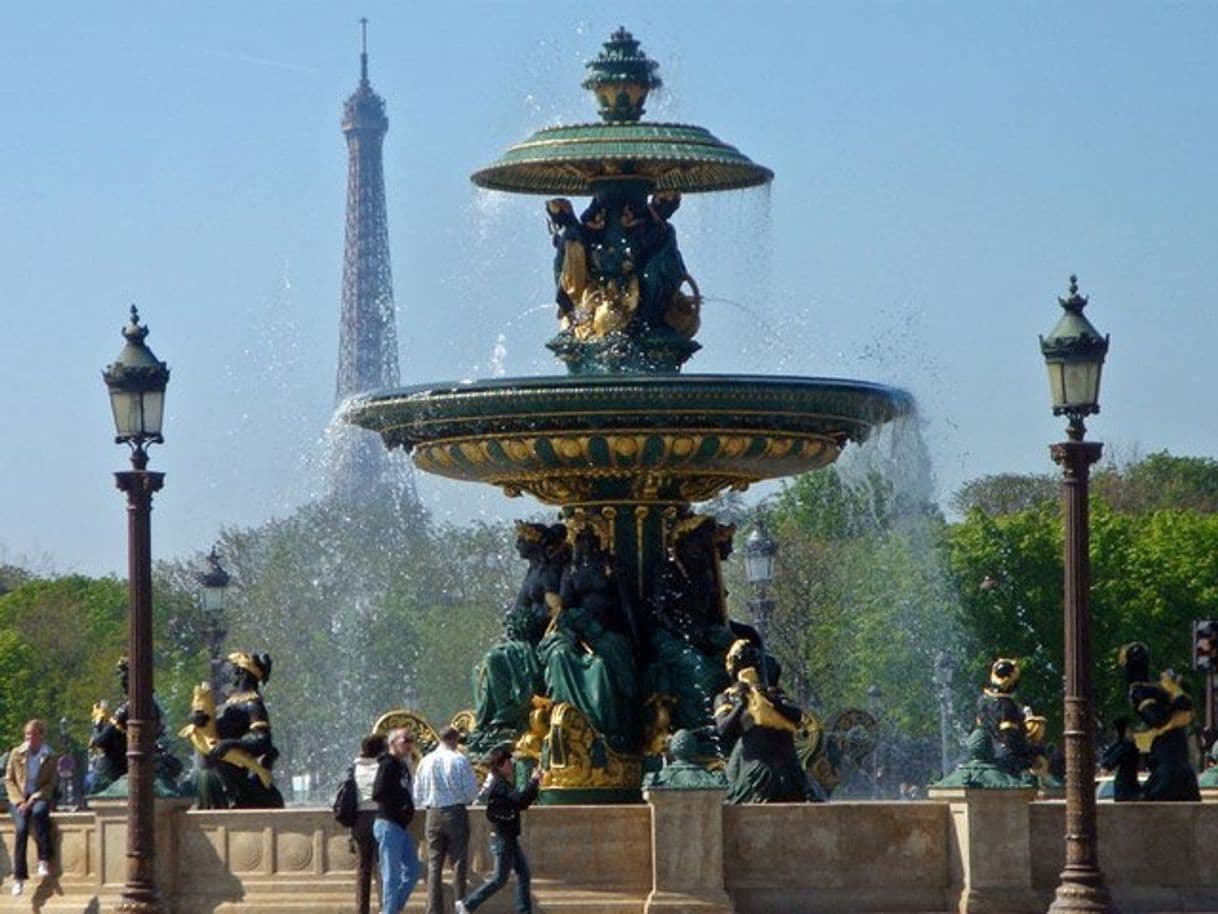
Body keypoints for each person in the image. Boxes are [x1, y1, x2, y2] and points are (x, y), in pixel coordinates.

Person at [455, 746, 541, 914]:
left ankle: (524, 911)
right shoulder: (500, 785)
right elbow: (520, 801)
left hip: (508, 835)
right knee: (499, 879)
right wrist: (533, 782)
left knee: (523, 873)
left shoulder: (502, 783)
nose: (512, 767)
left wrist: (533, 784)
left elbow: (520, 803)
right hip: (503, 837)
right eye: (509, 763)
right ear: (501, 765)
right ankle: (467, 905)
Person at [413, 725, 478, 914]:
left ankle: (434, 909)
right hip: (455, 812)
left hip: (432, 813)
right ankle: (460, 904)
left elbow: (417, 793)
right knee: (458, 860)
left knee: (434, 864)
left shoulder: (425, 761)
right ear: (455, 740)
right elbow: (471, 791)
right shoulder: (459, 760)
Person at [4, 719, 58, 896]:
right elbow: (9, 780)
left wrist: (34, 799)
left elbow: (51, 783)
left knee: (40, 813)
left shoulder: (49, 755)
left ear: (41, 735)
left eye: (34, 734)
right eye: (27, 734)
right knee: (21, 830)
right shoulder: (16, 753)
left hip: (39, 795)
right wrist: (20, 801)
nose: (30, 738)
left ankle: (44, 859)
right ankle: (18, 877)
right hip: (19, 797)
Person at [373, 728, 420, 914]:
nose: (410, 745)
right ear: (393, 743)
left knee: (413, 870)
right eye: (405, 740)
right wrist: (400, 806)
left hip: (399, 826)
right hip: (388, 824)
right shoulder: (388, 764)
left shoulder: (400, 765)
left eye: (411, 740)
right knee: (391, 877)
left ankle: (390, 910)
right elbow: (378, 793)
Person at [351, 733, 387, 914]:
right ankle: (385, 906)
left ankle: (361, 909)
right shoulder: (382, 767)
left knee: (363, 868)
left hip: (359, 820)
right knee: (383, 866)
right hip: (380, 817)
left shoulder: (353, 768)